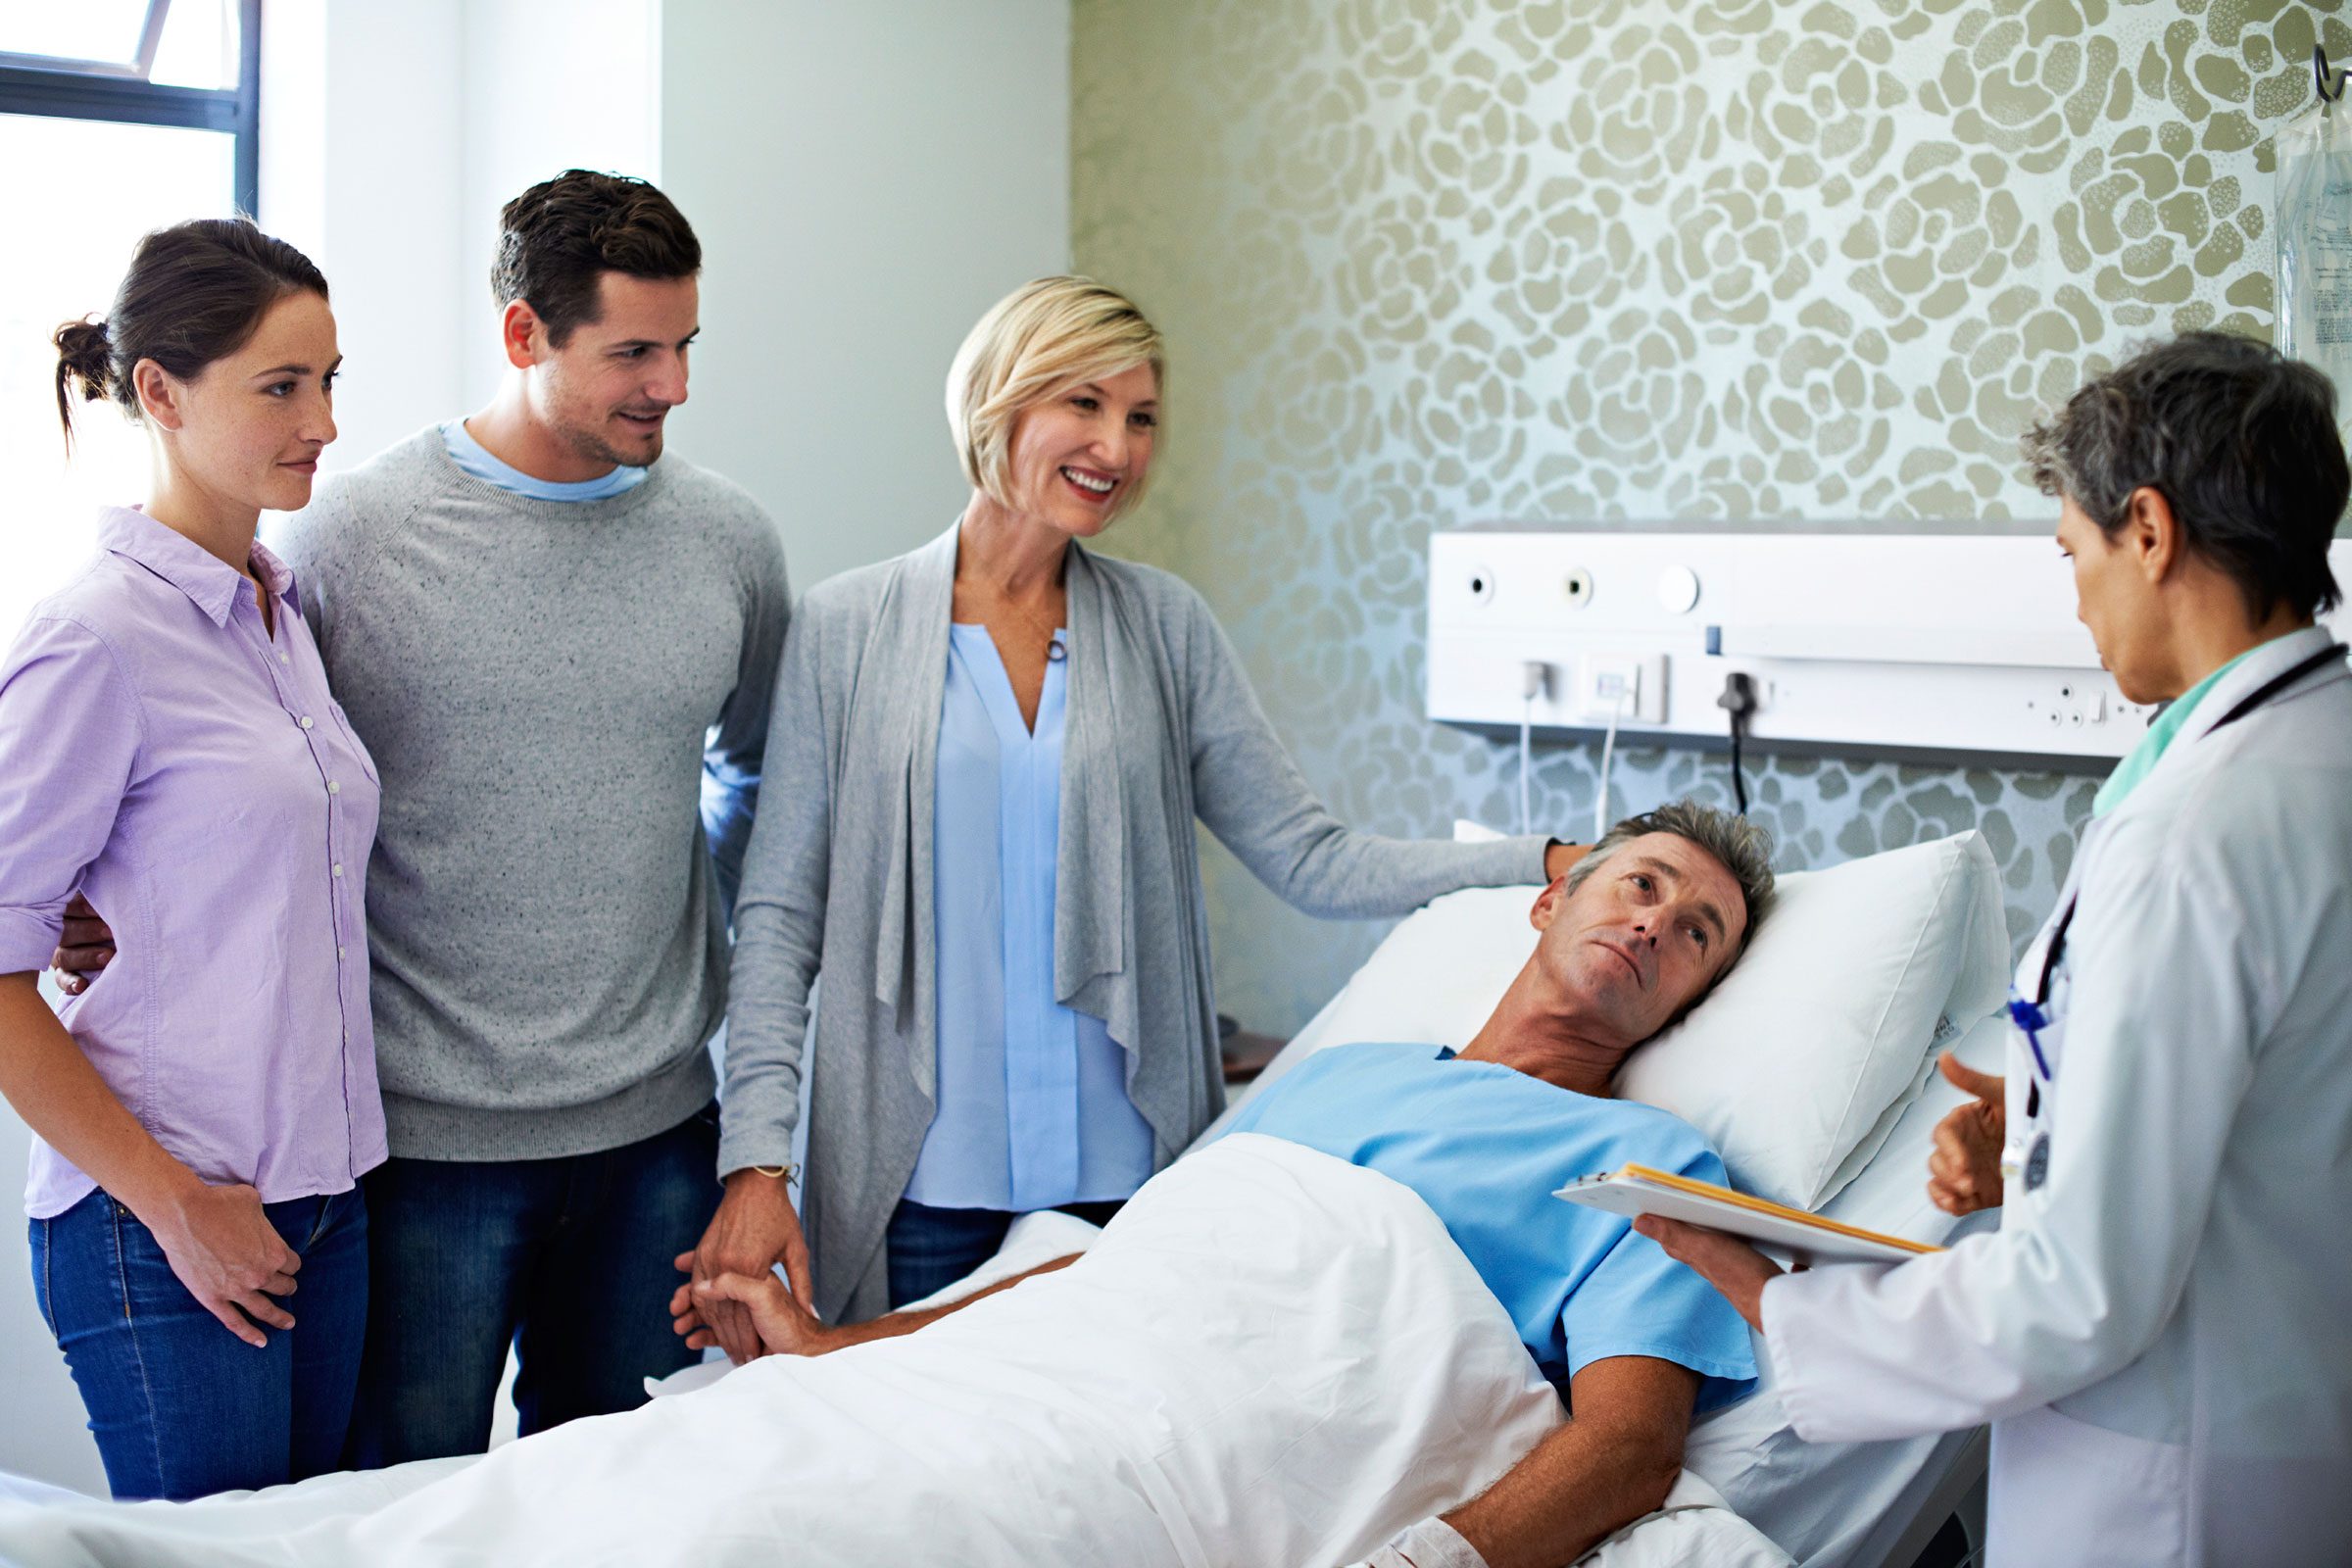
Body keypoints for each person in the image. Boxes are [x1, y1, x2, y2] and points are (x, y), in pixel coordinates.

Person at [692, 275, 1590, 1347]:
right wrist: (757, 1163)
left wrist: (1538, 860)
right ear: (998, 405)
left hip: (1125, 1179)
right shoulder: (845, 630)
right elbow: (779, 918)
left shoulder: (1167, 628)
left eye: (1142, 417)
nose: (1115, 448)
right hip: (920, 1180)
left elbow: (1313, 858)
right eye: (1083, 403)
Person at [60, 172, 793, 1464]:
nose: (670, 386)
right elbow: (241, 791)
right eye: (633, 352)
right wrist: (95, 904)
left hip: (658, 1140)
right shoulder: (342, 541)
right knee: (401, 1522)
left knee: (637, 1520)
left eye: (686, 348)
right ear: (525, 335)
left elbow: (758, 783)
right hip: (416, 1153)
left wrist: (699, 986)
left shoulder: (731, 542)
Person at [1642, 333, 2352, 1567]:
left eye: (2072, 552)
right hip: (2286, 1428)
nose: (2074, 597)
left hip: (2170, 1486)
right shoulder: (2315, 758)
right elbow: (2282, 1123)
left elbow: (2083, 1292)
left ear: (2149, 530)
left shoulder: (2197, 833)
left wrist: (1777, 1304)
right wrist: (2043, 1145)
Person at [679, 802, 1770, 1568]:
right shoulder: (1347, 1068)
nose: (1652, 926)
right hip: (1069, 1378)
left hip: (1220, 1448)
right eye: (1642, 885)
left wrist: (1436, 1558)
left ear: (1689, 1002)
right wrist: (828, 1350)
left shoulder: (1654, 1167)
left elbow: (1631, 1447)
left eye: (1695, 935)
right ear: (1547, 905)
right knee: (713, 1497)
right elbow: (1118, 1270)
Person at [0, 220, 379, 1498]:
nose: (322, 420)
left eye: (331, 380)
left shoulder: (284, 614)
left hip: (326, 1203)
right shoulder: (94, 636)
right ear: (159, 391)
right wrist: (175, 1205)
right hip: (162, 1224)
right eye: (282, 386)